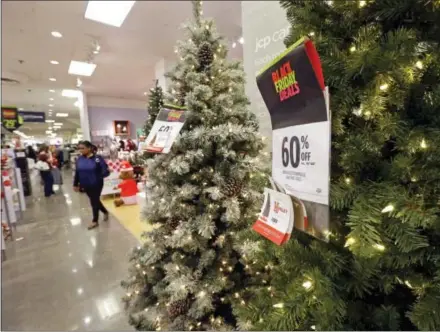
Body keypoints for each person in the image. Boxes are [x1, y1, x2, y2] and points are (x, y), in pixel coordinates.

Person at [73, 140, 110, 230]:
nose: (80, 150)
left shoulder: (97, 158)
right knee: (95, 200)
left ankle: (95, 221)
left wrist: (100, 176)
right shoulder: (80, 159)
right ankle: (105, 211)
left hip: (96, 183)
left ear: (89, 148)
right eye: (79, 148)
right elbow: (77, 172)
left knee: (94, 201)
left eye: (83, 148)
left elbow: (105, 170)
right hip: (85, 184)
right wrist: (75, 184)